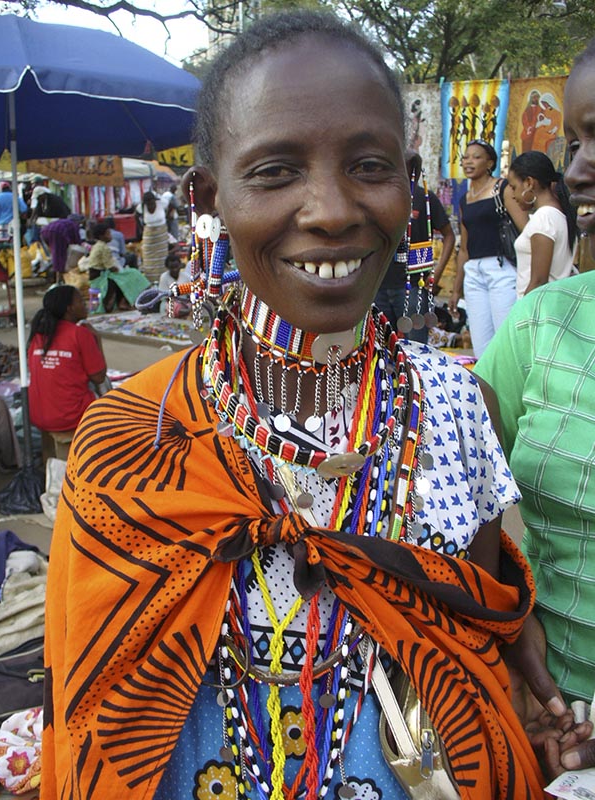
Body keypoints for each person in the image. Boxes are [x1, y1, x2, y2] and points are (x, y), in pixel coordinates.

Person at [42, 12, 572, 799]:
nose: (329, 209)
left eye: (368, 165)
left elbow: (471, 657)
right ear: (208, 194)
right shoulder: (132, 432)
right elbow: (93, 718)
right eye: (275, 171)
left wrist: (536, 716)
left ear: (408, 181)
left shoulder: (459, 406)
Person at [475, 37, 595, 777]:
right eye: (580, 139)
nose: (580, 167)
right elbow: (454, 480)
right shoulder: (543, 324)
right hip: (562, 732)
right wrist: (506, 641)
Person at [449, 139, 528, 358]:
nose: (468, 162)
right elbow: (464, 248)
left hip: (501, 268)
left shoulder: (501, 188)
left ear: (490, 163)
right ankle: (488, 389)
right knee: (481, 340)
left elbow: (526, 230)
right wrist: (456, 290)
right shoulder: (465, 199)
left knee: (505, 336)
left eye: (476, 157)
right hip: (474, 272)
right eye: (465, 157)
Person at [374, 150, 455, 344]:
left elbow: (449, 235)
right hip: (378, 285)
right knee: (380, 348)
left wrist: (437, 273)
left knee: (416, 347)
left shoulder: (424, 197)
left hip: (414, 286)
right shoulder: (377, 197)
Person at [27, 285, 107, 461]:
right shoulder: (80, 333)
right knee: (111, 400)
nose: (85, 304)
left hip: (39, 414)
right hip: (68, 417)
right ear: (69, 308)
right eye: (80, 300)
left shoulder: (38, 336)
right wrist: (97, 340)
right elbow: (99, 376)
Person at [507, 151, 577, 297]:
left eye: (514, 187)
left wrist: (522, 315)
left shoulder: (544, 218)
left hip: (538, 309)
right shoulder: (558, 214)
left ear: (529, 183)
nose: (513, 195)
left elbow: (538, 281)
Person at [88, 221, 150, 313]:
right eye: (108, 234)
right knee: (132, 274)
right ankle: (124, 301)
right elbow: (110, 267)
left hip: (99, 274)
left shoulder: (97, 245)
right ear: (101, 236)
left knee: (125, 275)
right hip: (100, 277)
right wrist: (120, 270)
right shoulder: (104, 248)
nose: (110, 236)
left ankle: (123, 300)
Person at [138, 190, 169, 283]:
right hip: (149, 236)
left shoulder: (161, 203)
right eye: (148, 202)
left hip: (161, 235)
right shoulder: (141, 207)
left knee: (162, 257)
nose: (151, 204)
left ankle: (162, 281)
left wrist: (168, 217)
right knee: (148, 259)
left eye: (152, 201)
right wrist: (141, 228)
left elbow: (172, 206)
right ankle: (151, 281)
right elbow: (136, 215)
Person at [157, 252, 191, 316]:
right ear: (167, 267)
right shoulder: (164, 277)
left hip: (185, 302)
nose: (175, 270)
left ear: (180, 265)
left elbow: (190, 294)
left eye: (176, 267)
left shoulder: (186, 276)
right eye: (172, 267)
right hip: (169, 303)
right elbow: (164, 296)